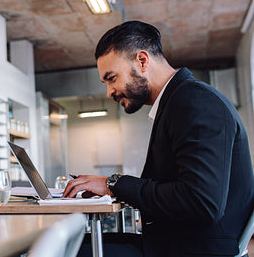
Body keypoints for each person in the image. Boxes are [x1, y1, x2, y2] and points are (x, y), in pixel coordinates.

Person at [63, 21, 254, 256]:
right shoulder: (178, 101)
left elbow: (201, 203)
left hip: (195, 250)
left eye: (111, 78)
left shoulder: (194, 102)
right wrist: (113, 187)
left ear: (142, 61)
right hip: (175, 242)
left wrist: (113, 184)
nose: (109, 92)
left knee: (65, 249)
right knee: (73, 243)